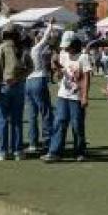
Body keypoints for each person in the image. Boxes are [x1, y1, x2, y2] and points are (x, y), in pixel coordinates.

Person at [42, 33, 91, 163]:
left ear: (74, 44)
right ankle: (54, 152)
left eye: (68, 47)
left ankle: (80, 152)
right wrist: (56, 66)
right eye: (64, 47)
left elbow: (86, 77)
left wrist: (85, 96)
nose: (66, 49)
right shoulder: (63, 54)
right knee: (59, 122)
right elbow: (60, 74)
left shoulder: (83, 57)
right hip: (63, 94)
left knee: (77, 125)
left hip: (76, 96)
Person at [0, 23, 32, 161]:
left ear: (4, 34)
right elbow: (31, 67)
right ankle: (18, 151)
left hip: (4, 87)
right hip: (19, 86)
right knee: (17, 120)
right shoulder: (23, 49)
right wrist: (19, 78)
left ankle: (2, 151)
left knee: (2, 119)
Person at [25, 20, 56, 154]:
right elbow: (46, 38)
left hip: (28, 82)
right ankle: (47, 142)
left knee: (32, 114)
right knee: (46, 112)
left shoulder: (24, 52)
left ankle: (32, 143)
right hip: (38, 79)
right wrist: (50, 25)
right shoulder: (36, 49)